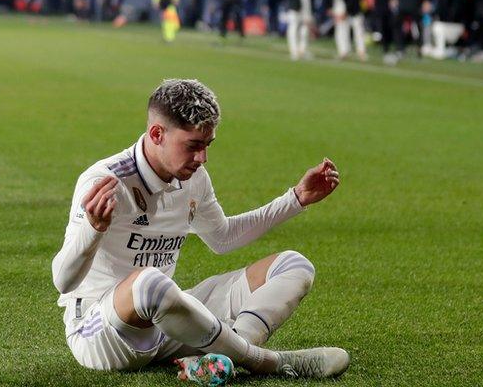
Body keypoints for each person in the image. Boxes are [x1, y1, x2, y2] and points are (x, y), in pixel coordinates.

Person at [51, 79, 349, 378]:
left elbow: (222, 238)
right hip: (101, 331)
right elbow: (64, 281)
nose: (202, 158)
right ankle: (268, 362)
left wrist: (295, 200)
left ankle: (224, 358)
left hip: (166, 322)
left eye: (207, 145)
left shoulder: (195, 178)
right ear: (157, 134)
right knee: (149, 282)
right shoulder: (105, 182)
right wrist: (93, 229)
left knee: (294, 265)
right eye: (193, 146)